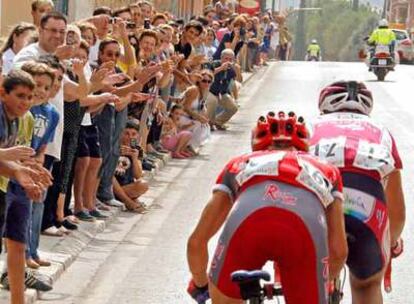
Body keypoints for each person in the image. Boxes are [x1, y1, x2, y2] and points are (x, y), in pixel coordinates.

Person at [187, 110, 348, 304]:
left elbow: (196, 242)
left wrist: (201, 285)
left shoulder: (239, 163)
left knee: (224, 298)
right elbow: (339, 250)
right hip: (304, 231)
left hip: (247, 224)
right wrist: (326, 280)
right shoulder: (327, 169)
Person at [310, 81, 406, 304]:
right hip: (367, 204)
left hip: (318, 201)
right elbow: (397, 211)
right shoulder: (381, 132)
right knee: (367, 285)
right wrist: (391, 243)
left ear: (323, 108)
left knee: (308, 281)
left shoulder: (311, 126)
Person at [113, 119, 149, 213]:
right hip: (111, 187)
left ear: (137, 136)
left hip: (126, 186)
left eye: (133, 134)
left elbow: (138, 175)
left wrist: (134, 157)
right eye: (126, 133)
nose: (130, 137)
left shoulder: (137, 149)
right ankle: (128, 201)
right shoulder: (113, 146)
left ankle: (125, 198)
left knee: (143, 184)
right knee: (110, 176)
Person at [206, 49, 239, 131]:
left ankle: (218, 122)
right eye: (226, 58)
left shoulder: (231, 69)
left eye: (230, 59)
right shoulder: (214, 64)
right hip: (208, 91)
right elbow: (207, 75)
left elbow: (236, 81)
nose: (228, 61)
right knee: (213, 100)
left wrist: (237, 70)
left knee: (233, 107)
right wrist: (221, 68)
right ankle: (207, 124)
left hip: (221, 92)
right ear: (221, 58)